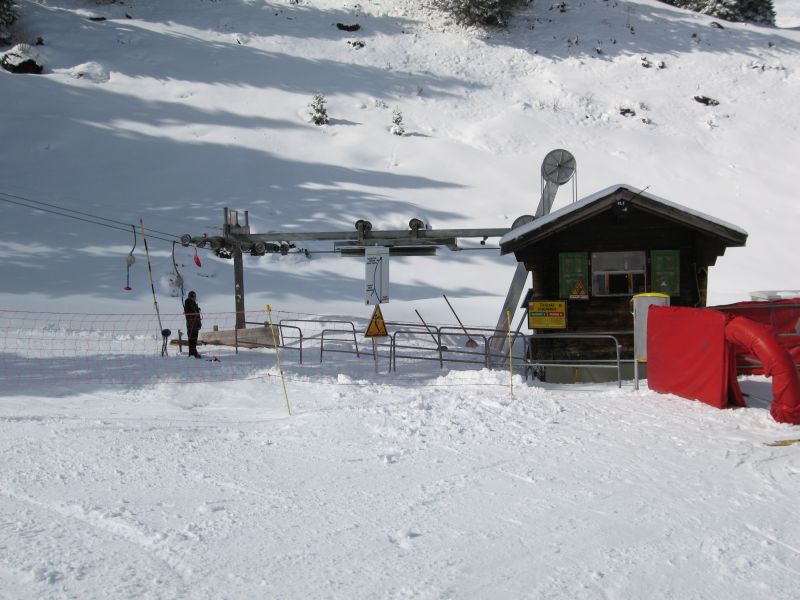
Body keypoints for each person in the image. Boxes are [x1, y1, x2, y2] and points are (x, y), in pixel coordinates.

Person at [184, 290, 202, 358]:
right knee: (192, 338)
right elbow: (188, 314)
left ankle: (194, 352)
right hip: (191, 324)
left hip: (195, 323)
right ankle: (192, 353)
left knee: (194, 338)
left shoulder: (193, 303)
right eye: (194, 296)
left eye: (195, 296)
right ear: (191, 296)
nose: (195, 297)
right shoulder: (188, 302)